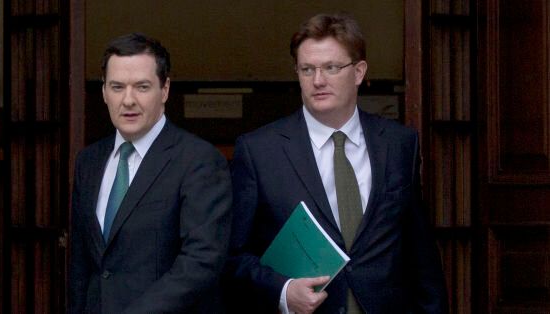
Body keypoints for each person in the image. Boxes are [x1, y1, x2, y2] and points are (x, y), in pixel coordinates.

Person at [224, 13, 448, 313]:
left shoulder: (398, 144)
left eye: (331, 68)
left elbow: (421, 255)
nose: (318, 80)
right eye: (307, 69)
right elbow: (231, 255)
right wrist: (283, 291)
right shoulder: (259, 151)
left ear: (358, 72)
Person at [69, 33, 232, 313]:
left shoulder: (199, 161)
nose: (128, 100)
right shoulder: (89, 161)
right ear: (104, 92)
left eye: (142, 87)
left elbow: (201, 261)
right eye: (117, 87)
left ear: (165, 89)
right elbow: (81, 261)